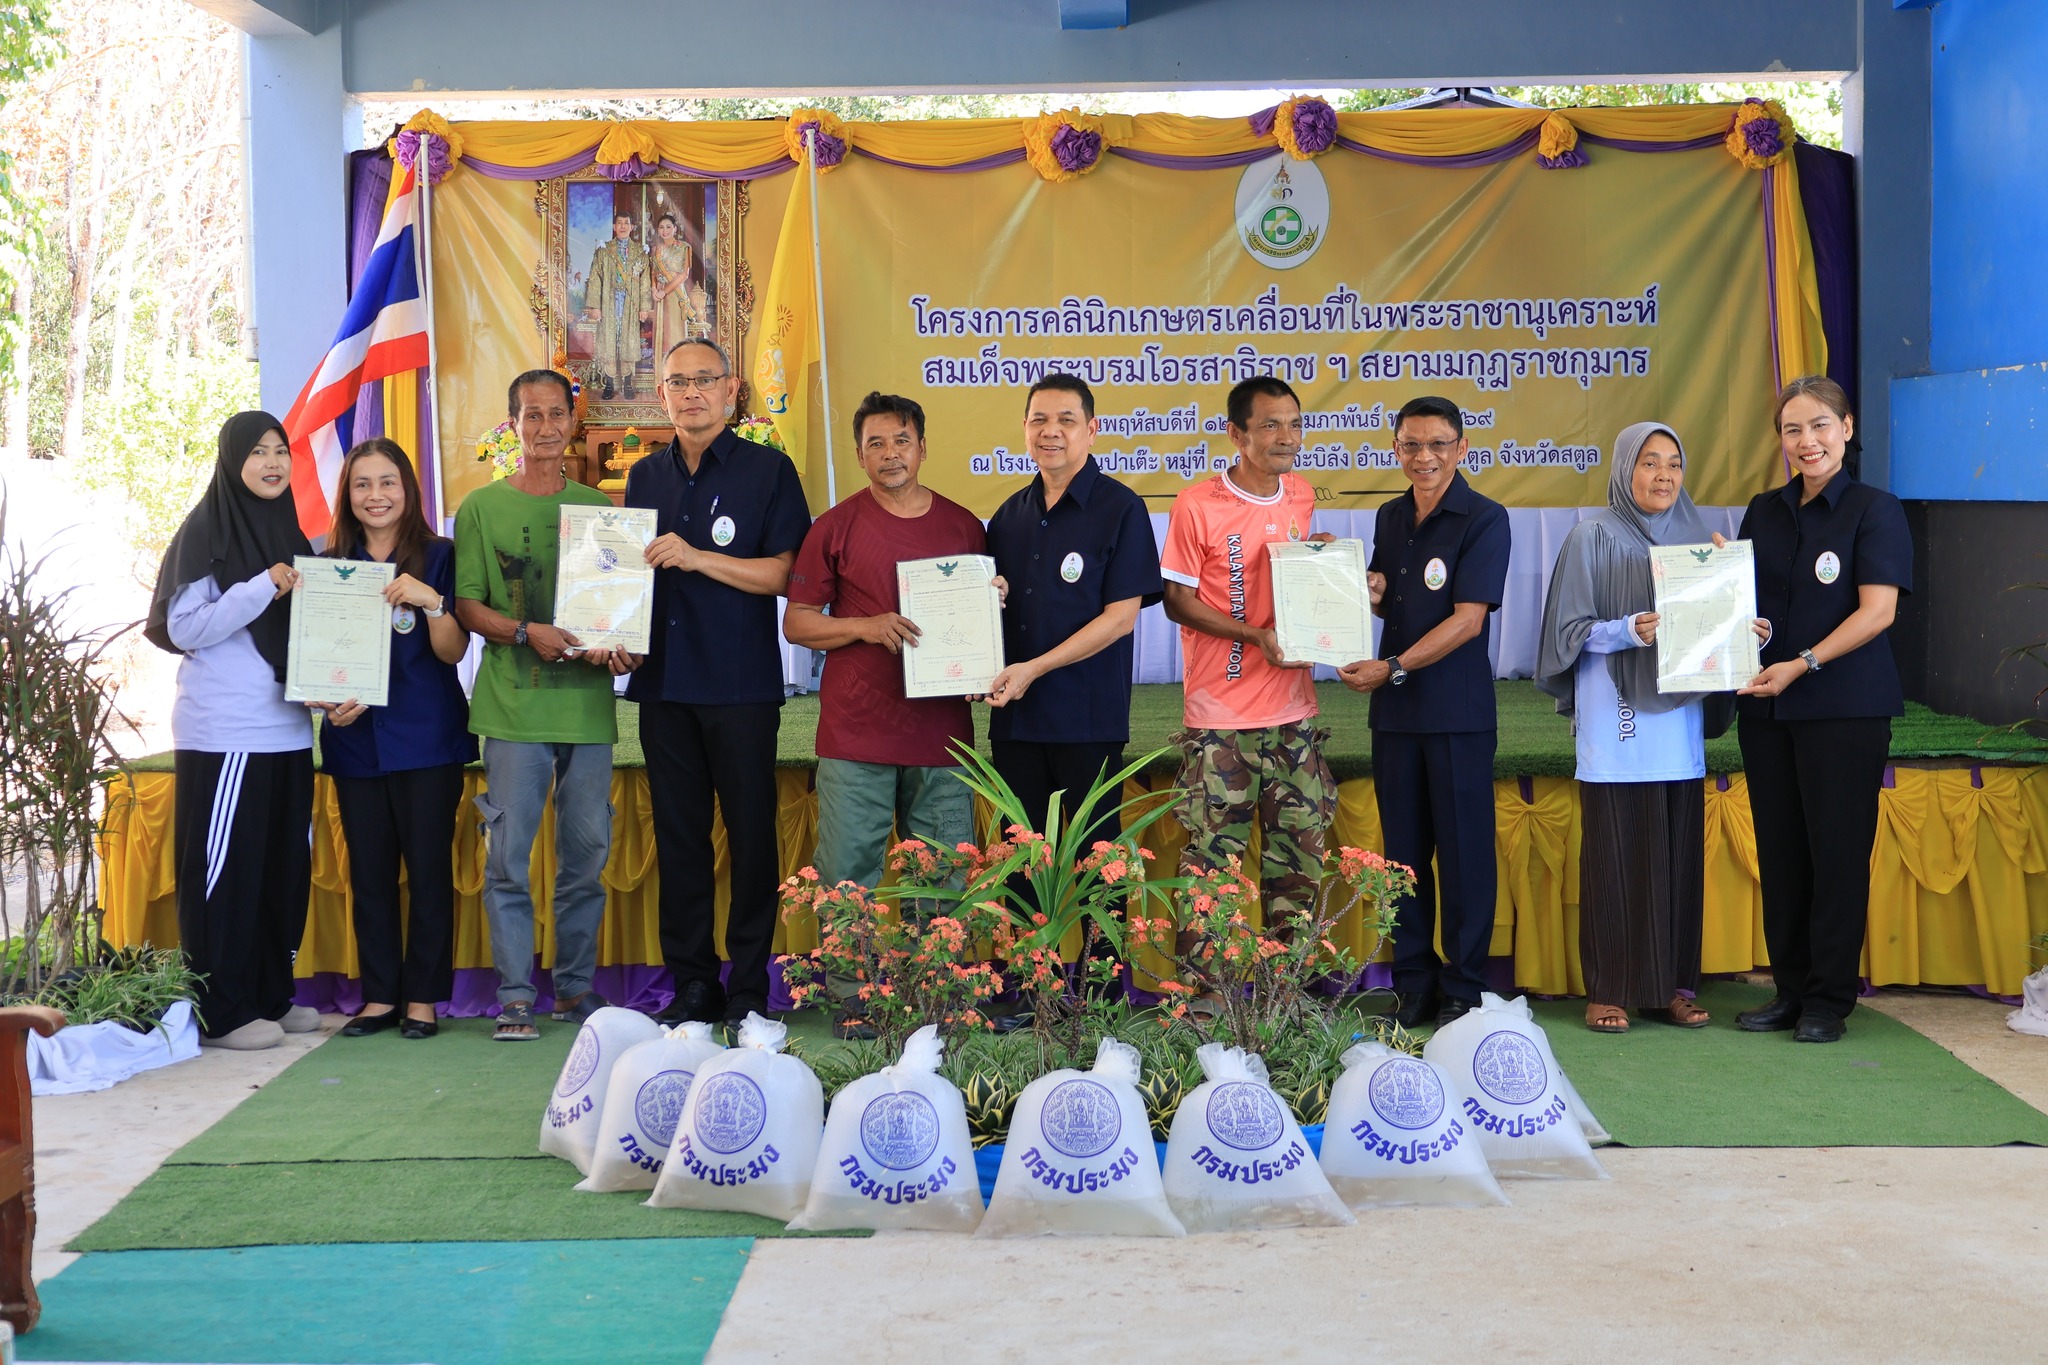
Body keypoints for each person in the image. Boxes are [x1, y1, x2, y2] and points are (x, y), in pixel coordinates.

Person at [1535, 423, 1762, 1034]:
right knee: (1614, 856)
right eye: (1649, 462)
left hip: (1679, 724)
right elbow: (1565, 634)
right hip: (1618, 720)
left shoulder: (1699, 543)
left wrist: (1744, 631)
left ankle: (1672, 988)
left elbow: (1713, 633)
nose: (1663, 475)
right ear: (1624, 469)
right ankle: (1608, 989)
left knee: (1677, 858)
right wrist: (1627, 630)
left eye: (1674, 464)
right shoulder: (1591, 538)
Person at [784, 392, 987, 1034]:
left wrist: (990, 619)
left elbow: (980, 621)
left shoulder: (964, 527)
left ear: (923, 446)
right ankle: (853, 994)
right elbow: (797, 623)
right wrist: (865, 627)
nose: (889, 454)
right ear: (858, 454)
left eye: (901, 440)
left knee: (946, 868)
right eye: (875, 443)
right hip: (857, 731)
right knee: (850, 871)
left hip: (942, 732)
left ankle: (940, 994)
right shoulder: (835, 526)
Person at [627, 339, 811, 1026]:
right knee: (679, 837)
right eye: (679, 382)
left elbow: (783, 575)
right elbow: (623, 581)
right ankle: (694, 982)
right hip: (664, 687)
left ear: (732, 391)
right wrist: (615, 637)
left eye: (706, 380)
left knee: (750, 836)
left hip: (740, 687)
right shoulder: (646, 478)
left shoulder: (768, 471)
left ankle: (748, 984)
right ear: (663, 393)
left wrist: (700, 558)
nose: (693, 393)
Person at [454, 369, 637, 1041]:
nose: (545, 427)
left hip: (587, 712)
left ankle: (574, 989)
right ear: (514, 425)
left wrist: (624, 647)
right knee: (508, 856)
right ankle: (512, 996)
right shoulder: (481, 509)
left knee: (586, 854)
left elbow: (619, 614)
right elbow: (469, 605)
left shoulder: (600, 511)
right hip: (511, 712)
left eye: (556, 414)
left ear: (572, 423)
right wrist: (527, 632)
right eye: (531, 415)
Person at [1731, 376, 1911, 1045]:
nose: (1806, 442)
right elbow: (1743, 605)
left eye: (1818, 426)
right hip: (1767, 709)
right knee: (1782, 853)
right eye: (1791, 430)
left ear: (1847, 426)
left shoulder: (1875, 509)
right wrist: (1722, 601)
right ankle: (1789, 989)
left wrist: (1803, 662)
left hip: (1842, 707)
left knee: (1836, 853)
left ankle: (1828, 1001)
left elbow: (1879, 611)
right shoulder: (1763, 509)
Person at [143, 411, 320, 1050]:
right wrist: (261, 588)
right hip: (227, 734)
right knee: (227, 872)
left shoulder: (290, 529)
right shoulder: (206, 529)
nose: (273, 463)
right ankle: (222, 1008)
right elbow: (184, 627)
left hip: (289, 729)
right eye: (258, 453)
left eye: (281, 451)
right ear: (232, 460)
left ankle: (270, 994)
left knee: (281, 868)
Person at [1159, 375, 1336, 997]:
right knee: (1212, 868)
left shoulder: (1302, 494)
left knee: (1299, 863)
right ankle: (1204, 1002)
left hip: (1293, 714)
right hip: (1220, 719)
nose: (1286, 438)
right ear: (1236, 434)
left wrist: (1327, 572)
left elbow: (1293, 577)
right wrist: (1254, 635)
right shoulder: (1197, 503)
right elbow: (1176, 601)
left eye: (1293, 423)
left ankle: (1292, 997)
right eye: (1269, 426)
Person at [1338, 395, 1510, 1029]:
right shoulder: (1389, 516)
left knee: (1464, 856)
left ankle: (1463, 986)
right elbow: (1392, 603)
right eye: (1411, 445)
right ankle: (1414, 981)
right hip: (1396, 715)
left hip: (1457, 713)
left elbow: (1467, 620)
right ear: (1396, 450)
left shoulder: (1485, 518)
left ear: (1461, 450)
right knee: (1402, 856)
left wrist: (1395, 667)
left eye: (1438, 444)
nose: (1424, 457)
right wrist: (1359, 585)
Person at [318, 437, 476, 1041]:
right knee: (371, 873)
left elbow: (454, 650)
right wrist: (326, 699)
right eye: (363, 484)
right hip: (356, 742)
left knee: (429, 870)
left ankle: (423, 999)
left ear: (408, 490)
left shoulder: (439, 556)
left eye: (388, 482)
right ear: (348, 495)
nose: (376, 495)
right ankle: (379, 995)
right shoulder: (329, 563)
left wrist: (433, 601)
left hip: (427, 739)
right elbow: (317, 659)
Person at [985, 372, 1163, 876]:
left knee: (1098, 869)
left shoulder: (1121, 508)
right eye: (1039, 419)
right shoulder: (1008, 516)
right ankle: (1024, 959)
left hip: (1088, 719)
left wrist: (1033, 669)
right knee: (1020, 865)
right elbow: (993, 609)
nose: (1051, 431)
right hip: (1017, 722)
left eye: (1067, 419)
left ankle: (1100, 960)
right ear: (1024, 428)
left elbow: (1120, 620)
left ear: (1092, 429)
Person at [581, 212, 652, 400]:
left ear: (631, 227)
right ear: (614, 227)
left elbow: (645, 281)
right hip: (609, 302)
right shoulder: (604, 251)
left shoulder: (640, 252)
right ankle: (609, 385)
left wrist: (644, 307)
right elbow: (595, 278)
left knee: (629, 341)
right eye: (619, 223)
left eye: (626, 223)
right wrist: (595, 306)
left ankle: (628, 384)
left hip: (630, 304)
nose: (622, 226)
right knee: (609, 342)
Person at [649, 214, 703, 361]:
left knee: (674, 332)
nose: (664, 231)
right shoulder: (655, 250)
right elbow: (653, 272)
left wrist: (664, 292)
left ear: (675, 228)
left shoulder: (684, 247)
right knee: (661, 332)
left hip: (675, 294)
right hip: (659, 294)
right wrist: (654, 289)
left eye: (668, 227)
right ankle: (661, 372)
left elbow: (684, 275)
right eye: (661, 227)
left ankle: (677, 367)